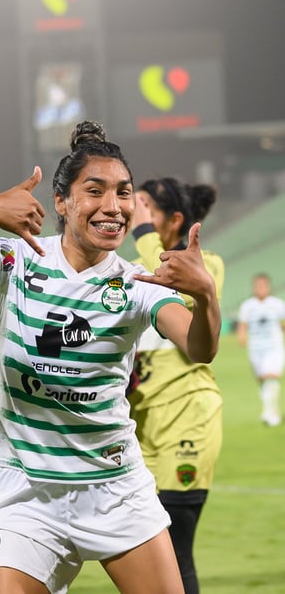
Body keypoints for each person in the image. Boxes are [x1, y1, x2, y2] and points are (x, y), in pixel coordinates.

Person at [0, 120, 221, 594]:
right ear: (61, 202)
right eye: (95, 190)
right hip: (26, 491)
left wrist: (206, 298)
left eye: (124, 192)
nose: (114, 207)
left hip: (114, 488)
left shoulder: (136, 283)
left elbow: (200, 348)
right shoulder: (17, 260)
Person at [128, 176, 224, 594]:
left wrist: (143, 233)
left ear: (175, 220)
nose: (133, 213)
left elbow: (172, 277)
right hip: (142, 428)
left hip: (188, 420)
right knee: (148, 558)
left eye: (144, 206)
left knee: (175, 552)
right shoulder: (132, 271)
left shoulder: (208, 265)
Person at [237, 273, 285, 426]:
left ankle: (268, 414)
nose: (261, 288)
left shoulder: (277, 304)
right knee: (263, 380)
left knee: (270, 375)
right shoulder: (247, 305)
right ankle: (273, 412)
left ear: (269, 287)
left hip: (274, 347)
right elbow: (243, 325)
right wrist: (242, 337)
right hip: (256, 348)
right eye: (258, 286)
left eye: (263, 285)